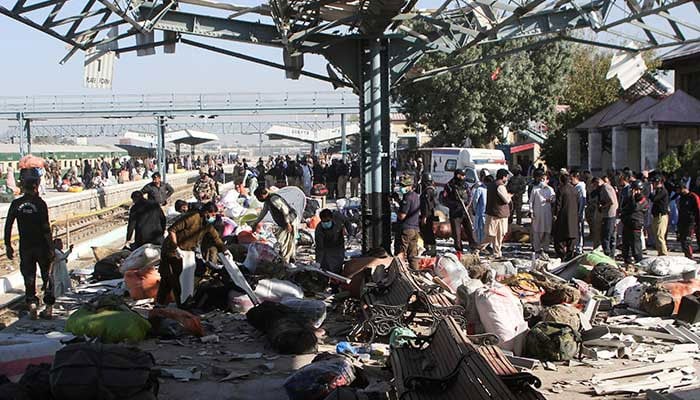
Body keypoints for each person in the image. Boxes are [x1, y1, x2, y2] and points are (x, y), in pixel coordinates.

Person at [157, 203, 229, 306]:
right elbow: (172, 230)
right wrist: (175, 247)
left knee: (173, 278)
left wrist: (224, 250)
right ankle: (180, 304)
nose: (213, 217)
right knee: (174, 277)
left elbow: (216, 237)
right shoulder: (192, 218)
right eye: (212, 214)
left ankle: (165, 303)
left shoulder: (206, 224)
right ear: (205, 212)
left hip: (186, 252)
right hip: (172, 250)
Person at [4, 178, 54, 319]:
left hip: (26, 247)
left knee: (29, 276)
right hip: (42, 246)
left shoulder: (16, 204)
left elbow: (8, 225)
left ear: (22, 187)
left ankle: (32, 304)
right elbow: (46, 228)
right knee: (47, 275)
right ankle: (49, 308)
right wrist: (51, 248)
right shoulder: (40, 203)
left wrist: (8, 245)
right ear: (36, 187)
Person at [251, 187, 298, 263]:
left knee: (283, 242)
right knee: (285, 241)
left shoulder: (273, 199)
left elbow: (285, 210)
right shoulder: (268, 201)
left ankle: (286, 261)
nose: (258, 199)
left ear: (264, 194)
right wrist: (256, 223)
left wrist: (288, 223)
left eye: (258, 197)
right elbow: (264, 212)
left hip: (289, 221)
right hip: (284, 223)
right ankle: (289, 259)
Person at [478, 169, 512, 259]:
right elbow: (506, 199)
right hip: (499, 214)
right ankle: (478, 249)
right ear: (504, 177)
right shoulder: (500, 186)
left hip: (492, 213)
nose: (507, 179)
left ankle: (496, 253)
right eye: (507, 177)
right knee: (494, 235)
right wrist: (509, 195)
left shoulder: (491, 185)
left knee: (494, 235)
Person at [443, 169, 477, 255]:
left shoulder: (465, 185)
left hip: (466, 211)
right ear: (458, 175)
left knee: (470, 231)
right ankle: (459, 251)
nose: (464, 177)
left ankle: (474, 248)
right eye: (462, 175)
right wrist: (454, 205)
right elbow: (444, 199)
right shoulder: (449, 186)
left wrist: (467, 205)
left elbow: (470, 196)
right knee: (457, 234)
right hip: (455, 213)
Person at [620, 180, 649, 264]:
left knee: (635, 245)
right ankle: (627, 260)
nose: (636, 192)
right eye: (634, 190)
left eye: (637, 190)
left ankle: (638, 261)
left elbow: (635, 207)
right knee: (626, 244)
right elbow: (623, 208)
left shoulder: (643, 199)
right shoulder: (628, 198)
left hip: (636, 224)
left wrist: (632, 197)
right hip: (627, 223)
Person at [529, 169, 555, 260]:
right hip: (537, 215)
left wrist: (550, 200)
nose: (542, 181)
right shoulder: (535, 189)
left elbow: (554, 199)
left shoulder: (550, 189)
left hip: (547, 214)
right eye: (541, 179)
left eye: (544, 179)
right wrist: (531, 212)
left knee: (546, 232)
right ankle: (537, 249)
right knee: (537, 231)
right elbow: (531, 202)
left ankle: (545, 249)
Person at [553, 173, 579, 261]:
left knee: (560, 236)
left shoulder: (561, 190)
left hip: (563, 216)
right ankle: (570, 254)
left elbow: (558, 204)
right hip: (573, 216)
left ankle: (561, 254)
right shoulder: (575, 190)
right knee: (571, 236)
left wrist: (555, 214)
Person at [397, 175, 420, 268]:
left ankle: (400, 274)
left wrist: (396, 209)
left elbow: (402, 216)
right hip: (415, 229)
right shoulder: (416, 196)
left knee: (401, 254)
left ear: (410, 186)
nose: (401, 188)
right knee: (413, 255)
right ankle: (415, 272)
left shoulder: (407, 198)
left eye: (403, 186)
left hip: (406, 229)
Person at [314, 209, 346, 274]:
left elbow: (347, 222)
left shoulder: (338, 218)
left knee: (338, 265)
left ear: (331, 218)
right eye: (323, 221)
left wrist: (351, 234)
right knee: (327, 267)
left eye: (327, 221)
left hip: (339, 247)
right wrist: (318, 262)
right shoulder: (319, 230)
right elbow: (319, 247)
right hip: (327, 249)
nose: (326, 223)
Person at [676, 183, 700, 259]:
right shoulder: (681, 198)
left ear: (684, 188)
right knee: (683, 242)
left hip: (691, 223)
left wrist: (697, 223)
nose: (678, 192)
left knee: (687, 241)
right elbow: (680, 212)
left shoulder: (693, 197)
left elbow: (698, 210)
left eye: (679, 190)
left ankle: (690, 258)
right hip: (682, 223)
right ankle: (687, 257)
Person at [599, 175, 619, 257]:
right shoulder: (610, 187)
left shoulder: (605, 187)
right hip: (612, 214)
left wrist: (602, 206)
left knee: (606, 236)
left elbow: (611, 201)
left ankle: (607, 254)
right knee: (611, 235)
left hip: (609, 214)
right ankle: (611, 254)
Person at [650, 175, 670, 256]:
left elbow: (654, 199)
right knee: (656, 234)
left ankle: (664, 254)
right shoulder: (657, 191)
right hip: (656, 215)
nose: (654, 184)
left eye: (656, 182)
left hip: (661, 216)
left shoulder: (663, 191)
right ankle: (660, 252)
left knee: (660, 235)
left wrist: (651, 192)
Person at [419, 173, 437, 256]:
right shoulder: (432, 189)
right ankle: (430, 248)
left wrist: (424, 217)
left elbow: (427, 205)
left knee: (427, 232)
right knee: (428, 231)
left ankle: (430, 249)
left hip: (427, 215)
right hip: (430, 215)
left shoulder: (427, 191)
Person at [471, 173, 490, 244]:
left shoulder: (488, 189)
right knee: (480, 229)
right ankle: (481, 243)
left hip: (487, 213)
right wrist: (475, 209)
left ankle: (485, 244)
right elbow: (475, 200)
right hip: (481, 213)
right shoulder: (480, 189)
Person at [572, 170, 587, 253]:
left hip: (579, 212)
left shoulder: (580, 187)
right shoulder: (576, 187)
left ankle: (579, 248)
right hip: (576, 212)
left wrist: (579, 212)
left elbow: (582, 201)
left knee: (579, 230)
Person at [586, 177, 602, 249]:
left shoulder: (603, 189)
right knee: (595, 229)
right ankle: (596, 246)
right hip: (595, 211)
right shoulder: (595, 192)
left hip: (600, 212)